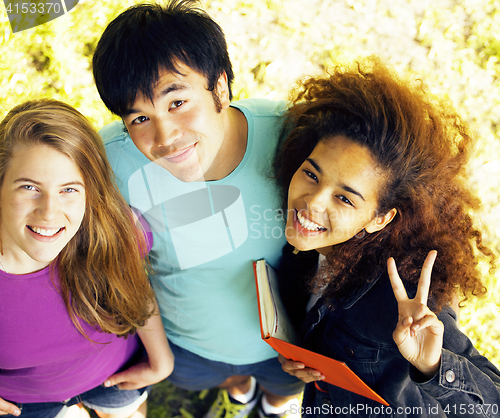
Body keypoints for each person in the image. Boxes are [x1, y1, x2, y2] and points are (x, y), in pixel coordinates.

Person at [92, 1, 304, 417]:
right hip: (187, 343)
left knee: (284, 390)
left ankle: (272, 408)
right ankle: (239, 393)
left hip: (288, 343)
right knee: (227, 380)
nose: (165, 138)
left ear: (220, 88)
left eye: (177, 103)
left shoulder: (291, 136)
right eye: (138, 119)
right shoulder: (110, 162)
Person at [274, 59, 500, 416]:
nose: (311, 203)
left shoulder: (403, 299)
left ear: (380, 218)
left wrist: (432, 366)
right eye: (312, 175)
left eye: (345, 198)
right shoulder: (309, 242)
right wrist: (306, 359)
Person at [0, 99, 174, 418]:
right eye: (29, 187)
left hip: (114, 377)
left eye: (69, 189)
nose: (50, 212)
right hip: (23, 403)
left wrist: (161, 359)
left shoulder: (112, 231)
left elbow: (135, 287)